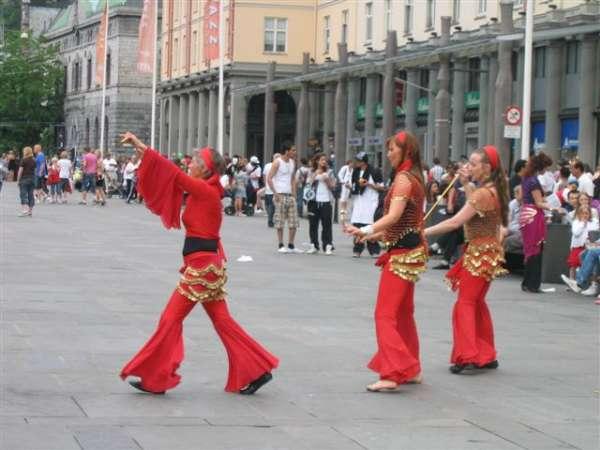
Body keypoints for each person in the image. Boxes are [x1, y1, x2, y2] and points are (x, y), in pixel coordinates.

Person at [119, 131, 278, 395]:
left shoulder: (204, 190)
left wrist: (141, 145)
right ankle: (257, 369)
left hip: (202, 268)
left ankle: (156, 378)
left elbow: (170, 171)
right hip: (206, 266)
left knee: (170, 318)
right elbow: (168, 176)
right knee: (223, 321)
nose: (188, 165)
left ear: (204, 170)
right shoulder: (206, 190)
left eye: (193, 162)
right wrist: (141, 155)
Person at [346, 131, 427, 391]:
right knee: (404, 314)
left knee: (385, 315)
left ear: (407, 152)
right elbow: (403, 223)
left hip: (402, 256)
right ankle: (411, 367)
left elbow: (393, 217)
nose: (389, 152)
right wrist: (369, 233)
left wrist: (368, 230)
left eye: (392, 148)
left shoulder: (404, 179)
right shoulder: (413, 177)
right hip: (408, 251)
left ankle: (392, 374)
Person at [424, 145, 509, 374]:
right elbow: (478, 208)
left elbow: (455, 222)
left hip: (479, 253)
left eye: (473, 164)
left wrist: (422, 231)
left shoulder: (483, 193)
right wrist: (465, 184)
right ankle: (485, 354)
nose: (467, 166)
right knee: (477, 303)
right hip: (488, 251)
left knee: (466, 303)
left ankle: (468, 355)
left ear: (486, 167)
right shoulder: (494, 190)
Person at [520, 152, 556, 293]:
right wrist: (554, 206)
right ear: (541, 166)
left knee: (530, 249)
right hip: (534, 215)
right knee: (536, 248)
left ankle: (527, 282)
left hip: (526, 214)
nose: (546, 170)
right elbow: (539, 203)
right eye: (546, 167)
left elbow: (527, 199)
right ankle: (533, 284)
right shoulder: (534, 181)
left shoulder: (526, 178)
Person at [267, 143, 302, 253]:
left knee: (294, 221)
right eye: (293, 150)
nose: (295, 152)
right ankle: (281, 244)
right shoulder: (277, 162)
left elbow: (292, 179)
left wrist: (294, 193)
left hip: (290, 195)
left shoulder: (292, 162)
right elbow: (269, 178)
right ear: (287, 151)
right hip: (280, 194)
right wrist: (275, 193)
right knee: (280, 221)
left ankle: (291, 245)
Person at [350, 152, 385, 258]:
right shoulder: (355, 172)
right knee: (358, 226)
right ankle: (357, 249)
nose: (356, 163)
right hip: (359, 202)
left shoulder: (374, 172)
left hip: (370, 202)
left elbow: (382, 188)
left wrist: (368, 184)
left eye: (358, 161)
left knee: (370, 225)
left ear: (363, 162)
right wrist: (350, 187)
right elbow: (354, 185)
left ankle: (374, 249)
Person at [305, 153, 336, 255]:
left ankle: (328, 245)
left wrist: (327, 179)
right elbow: (308, 183)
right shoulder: (311, 171)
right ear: (317, 161)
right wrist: (315, 174)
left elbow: (333, 186)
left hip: (326, 201)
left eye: (325, 160)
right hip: (313, 201)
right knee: (313, 225)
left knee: (326, 225)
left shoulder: (330, 172)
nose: (324, 162)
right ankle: (314, 245)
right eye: (322, 160)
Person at [567, 206, 599, 279]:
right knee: (573, 264)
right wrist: (582, 224)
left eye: (586, 213)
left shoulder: (594, 222)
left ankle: (582, 282)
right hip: (577, 246)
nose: (584, 215)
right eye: (582, 213)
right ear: (579, 214)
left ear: (589, 214)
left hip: (589, 247)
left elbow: (594, 233)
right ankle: (571, 280)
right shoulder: (576, 222)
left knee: (585, 265)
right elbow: (576, 233)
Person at [17, 147, 36, 217]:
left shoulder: (23, 160)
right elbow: (35, 170)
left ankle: (24, 210)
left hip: (24, 179)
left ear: (25, 152)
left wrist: (18, 179)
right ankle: (30, 211)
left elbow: (20, 171)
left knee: (23, 194)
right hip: (32, 179)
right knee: (31, 195)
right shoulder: (34, 160)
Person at [262, 153, 280, 227]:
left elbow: (264, 176)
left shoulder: (267, 165)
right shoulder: (278, 166)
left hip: (269, 188)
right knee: (272, 206)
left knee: (268, 205)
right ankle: (271, 219)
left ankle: (270, 218)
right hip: (274, 189)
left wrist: (265, 184)